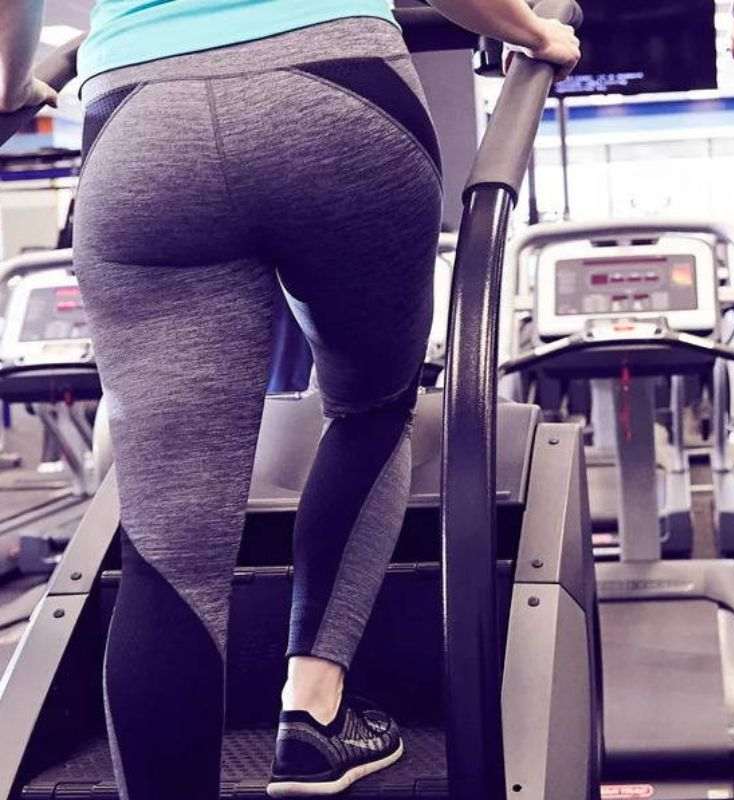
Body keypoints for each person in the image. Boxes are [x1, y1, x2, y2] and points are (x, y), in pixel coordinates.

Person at [0, 2, 578, 798]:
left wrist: (8, 84)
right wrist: (531, 31)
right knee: (370, 410)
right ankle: (313, 711)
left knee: (170, 546)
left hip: (143, 121)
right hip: (339, 95)